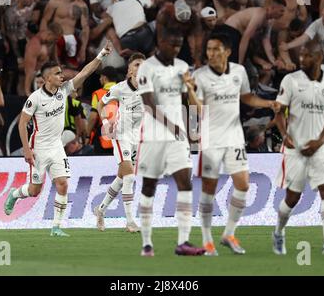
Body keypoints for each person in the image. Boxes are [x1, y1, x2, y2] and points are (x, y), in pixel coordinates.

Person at [184, 33, 280, 256]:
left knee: (243, 184)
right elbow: (197, 108)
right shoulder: (199, 75)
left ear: (227, 51)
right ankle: (207, 240)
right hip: (211, 139)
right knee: (209, 188)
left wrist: (268, 103)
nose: (211, 54)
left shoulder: (239, 72)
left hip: (234, 136)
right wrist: (189, 90)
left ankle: (228, 233)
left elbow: (246, 98)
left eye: (216, 49)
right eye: (208, 49)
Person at [3, 41, 112, 237]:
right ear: (46, 78)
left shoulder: (64, 91)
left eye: (61, 72)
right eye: (57, 73)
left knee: (63, 183)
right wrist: (27, 150)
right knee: (35, 190)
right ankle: (15, 194)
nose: (62, 76)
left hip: (56, 147)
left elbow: (84, 73)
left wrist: (101, 55)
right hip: (38, 149)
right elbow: (22, 124)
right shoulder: (35, 98)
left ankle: (56, 227)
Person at [135, 28, 205, 257]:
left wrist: (193, 127)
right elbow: (148, 102)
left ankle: (183, 242)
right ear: (161, 42)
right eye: (172, 45)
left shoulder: (183, 67)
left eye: (179, 45)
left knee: (185, 183)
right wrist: (170, 124)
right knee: (148, 187)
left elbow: (190, 101)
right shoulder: (146, 67)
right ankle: (146, 243)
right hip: (153, 137)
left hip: (178, 138)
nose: (175, 49)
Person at [273, 41, 324, 256]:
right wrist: (285, 136)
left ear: (319, 58)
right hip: (295, 149)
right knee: (292, 198)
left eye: (307, 56)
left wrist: (321, 140)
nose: (302, 59)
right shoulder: (291, 81)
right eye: (301, 55)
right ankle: (278, 231)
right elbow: (279, 112)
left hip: (320, 148)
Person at [93, 52, 146, 233]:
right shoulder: (119, 88)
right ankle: (130, 221)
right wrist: (107, 123)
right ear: (130, 69)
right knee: (130, 177)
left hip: (136, 138)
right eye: (137, 64)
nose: (140, 68)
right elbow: (101, 104)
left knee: (122, 178)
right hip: (120, 135)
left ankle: (100, 210)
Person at [216, 0, 286, 64]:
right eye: (281, 11)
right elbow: (245, 38)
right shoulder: (260, 14)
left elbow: (266, 40)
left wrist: (272, 60)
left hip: (238, 34)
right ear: (273, 8)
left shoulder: (270, 21)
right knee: (233, 61)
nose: (283, 14)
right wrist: (240, 62)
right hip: (229, 30)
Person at [87, 66, 118, 155]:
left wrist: (87, 135)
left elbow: (93, 117)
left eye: (100, 77)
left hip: (103, 137)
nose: (100, 79)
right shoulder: (123, 92)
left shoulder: (98, 94)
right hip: (121, 135)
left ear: (104, 78)